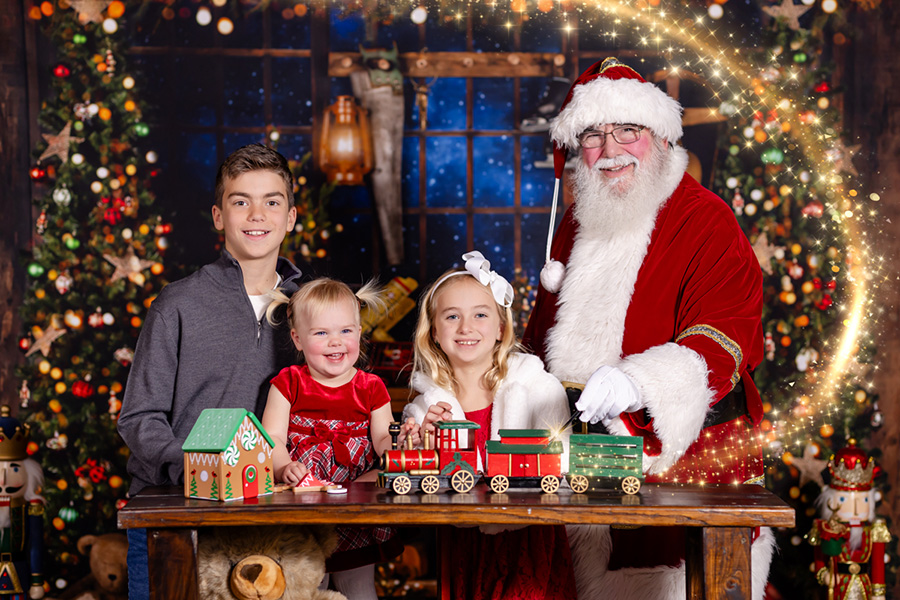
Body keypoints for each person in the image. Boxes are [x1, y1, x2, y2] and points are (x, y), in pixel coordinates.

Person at [522, 57, 775, 599]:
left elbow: (726, 333)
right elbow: (538, 347)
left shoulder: (706, 219)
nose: (610, 150)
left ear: (659, 137)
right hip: (577, 469)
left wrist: (639, 382)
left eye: (627, 131)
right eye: (593, 135)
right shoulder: (575, 224)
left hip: (685, 469)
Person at [117, 143, 303, 600]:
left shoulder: (313, 308)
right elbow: (139, 418)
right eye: (241, 201)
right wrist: (200, 466)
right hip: (178, 514)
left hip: (277, 517)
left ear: (291, 217)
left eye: (271, 202)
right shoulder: (177, 304)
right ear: (219, 216)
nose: (257, 214)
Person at [402, 250, 576, 600]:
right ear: (434, 331)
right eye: (452, 316)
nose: (466, 328)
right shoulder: (426, 406)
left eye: (480, 315)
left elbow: (562, 462)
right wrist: (426, 442)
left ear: (500, 328)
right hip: (463, 544)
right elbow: (418, 480)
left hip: (528, 538)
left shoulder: (536, 387)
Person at [261, 277, 402, 600]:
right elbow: (272, 437)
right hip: (305, 500)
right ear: (297, 339)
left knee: (359, 588)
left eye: (345, 331)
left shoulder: (370, 387)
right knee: (309, 585)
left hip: (355, 498)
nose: (335, 342)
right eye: (321, 333)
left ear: (359, 333)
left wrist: (391, 453)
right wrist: (284, 467)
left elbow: (382, 435)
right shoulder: (288, 383)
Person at [808, 443, 890, 600]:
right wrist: (825, 575)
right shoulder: (826, 529)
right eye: (845, 499)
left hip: (864, 588)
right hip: (838, 588)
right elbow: (819, 560)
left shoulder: (874, 530)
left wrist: (878, 594)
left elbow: (878, 565)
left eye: (864, 500)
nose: (856, 508)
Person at [0, 406, 44, 600]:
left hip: (19, 574)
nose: (2, 480)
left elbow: (36, 545)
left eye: (14, 469)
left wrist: (37, 581)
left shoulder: (30, 507)